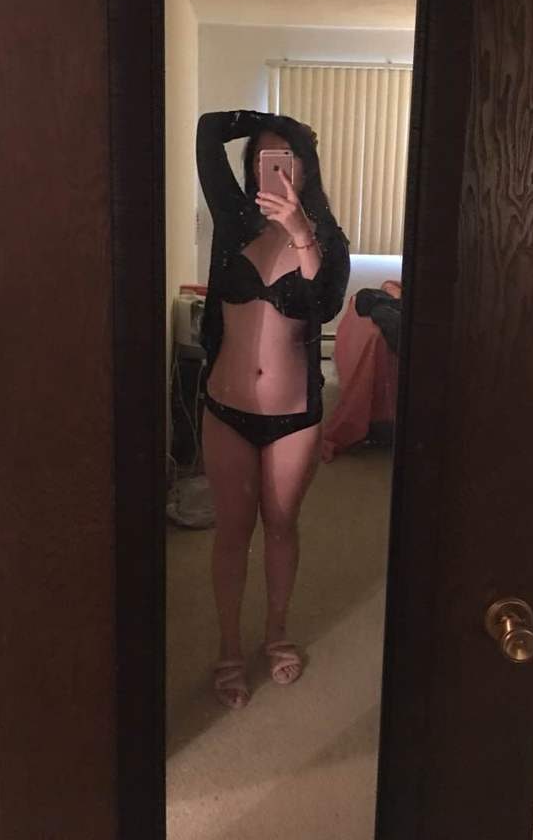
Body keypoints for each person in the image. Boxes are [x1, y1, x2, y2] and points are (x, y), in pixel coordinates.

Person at [196, 109, 350, 708]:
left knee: (282, 524)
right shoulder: (232, 218)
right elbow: (209, 129)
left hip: (293, 417)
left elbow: (325, 302)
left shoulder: (327, 238)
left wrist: (301, 230)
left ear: (306, 168)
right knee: (233, 531)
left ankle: (277, 634)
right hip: (226, 409)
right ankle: (229, 647)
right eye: (263, 158)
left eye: (286, 157)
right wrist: (275, 121)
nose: (275, 167)